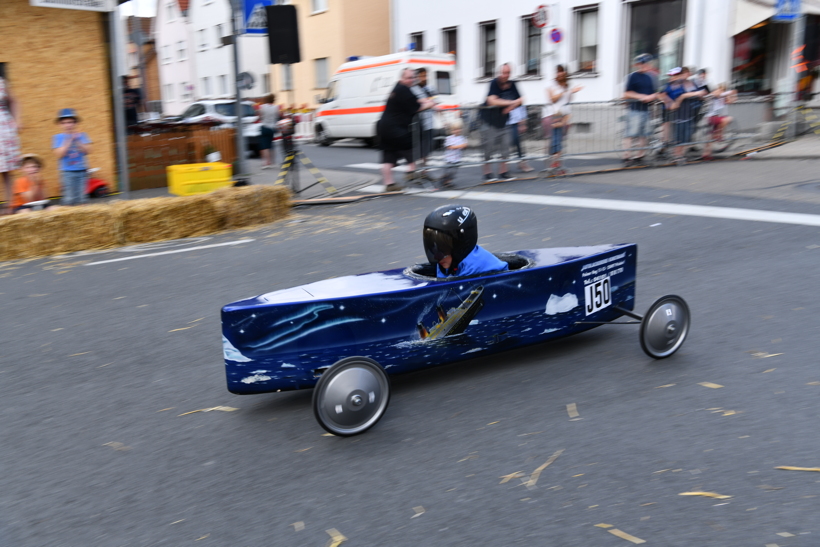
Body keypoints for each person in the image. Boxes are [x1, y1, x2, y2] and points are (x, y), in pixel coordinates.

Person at [376, 68, 435, 192]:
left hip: (384, 127)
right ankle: (411, 171)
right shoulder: (404, 89)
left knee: (389, 157)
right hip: (395, 128)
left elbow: (411, 101)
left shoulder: (397, 87)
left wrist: (424, 100)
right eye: (409, 78)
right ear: (402, 78)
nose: (411, 80)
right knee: (410, 145)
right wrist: (430, 104)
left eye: (413, 77)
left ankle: (389, 184)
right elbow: (416, 108)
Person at [423, 204, 509, 278]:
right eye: (434, 249)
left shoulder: (474, 268)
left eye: (443, 250)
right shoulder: (449, 261)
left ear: (461, 246)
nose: (437, 256)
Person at [481, 63, 524, 182]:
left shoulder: (512, 85)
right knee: (488, 147)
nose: (506, 75)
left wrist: (509, 108)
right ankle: (487, 173)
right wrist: (510, 103)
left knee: (506, 146)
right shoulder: (494, 83)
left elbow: (521, 100)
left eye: (508, 73)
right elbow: (491, 101)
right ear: (499, 73)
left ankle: (503, 172)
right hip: (489, 120)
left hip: (504, 120)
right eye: (504, 73)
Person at [659, 67, 706, 165]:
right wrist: (669, 102)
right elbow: (661, 95)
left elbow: (695, 93)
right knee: (678, 136)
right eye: (672, 76)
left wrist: (699, 94)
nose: (673, 78)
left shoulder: (688, 83)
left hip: (689, 113)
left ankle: (680, 154)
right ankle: (676, 155)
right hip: (677, 115)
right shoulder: (670, 86)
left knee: (686, 136)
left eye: (676, 75)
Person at [543, 65, 582, 174]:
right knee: (553, 140)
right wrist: (566, 91)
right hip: (551, 115)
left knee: (559, 140)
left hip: (563, 115)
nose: (560, 74)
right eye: (558, 72)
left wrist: (572, 92)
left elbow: (568, 101)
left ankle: (556, 164)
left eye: (562, 72)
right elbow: (553, 99)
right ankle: (551, 163)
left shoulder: (566, 85)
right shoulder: (550, 84)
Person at [622, 54, 658, 166]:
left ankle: (639, 156)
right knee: (631, 134)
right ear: (638, 65)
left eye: (647, 63)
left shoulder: (650, 77)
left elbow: (655, 92)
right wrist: (641, 97)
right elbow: (627, 93)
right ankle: (627, 156)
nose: (645, 66)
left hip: (646, 110)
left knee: (644, 134)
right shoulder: (632, 76)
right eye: (643, 63)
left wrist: (653, 97)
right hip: (635, 110)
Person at [52, 108, 92, 206]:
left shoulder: (82, 135)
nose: (68, 125)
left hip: (82, 170)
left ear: (75, 123)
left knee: (83, 198)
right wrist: (69, 140)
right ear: (60, 124)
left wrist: (78, 140)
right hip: (67, 172)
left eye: (70, 122)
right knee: (69, 198)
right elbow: (59, 154)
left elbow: (88, 150)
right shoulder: (57, 137)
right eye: (64, 123)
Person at [410, 68, 437, 180]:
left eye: (425, 76)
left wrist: (430, 104)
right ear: (416, 77)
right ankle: (414, 173)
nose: (423, 78)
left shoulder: (430, 88)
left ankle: (424, 172)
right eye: (421, 76)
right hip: (417, 124)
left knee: (426, 150)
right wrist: (428, 104)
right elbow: (414, 106)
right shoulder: (413, 90)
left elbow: (435, 101)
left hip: (428, 123)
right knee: (417, 149)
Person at [0, 74, 22, 215]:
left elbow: (14, 101)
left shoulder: (2, 82)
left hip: (3, 128)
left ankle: (10, 206)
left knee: (6, 171)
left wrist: (17, 120)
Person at [703, 83, 737, 160]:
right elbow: (717, 94)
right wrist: (729, 92)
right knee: (727, 119)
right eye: (720, 89)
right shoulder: (715, 93)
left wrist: (733, 95)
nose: (721, 91)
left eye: (723, 90)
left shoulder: (723, 97)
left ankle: (706, 153)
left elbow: (731, 101)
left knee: (711, 136)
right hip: (711, 116)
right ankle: (719, 134)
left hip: (718, 117)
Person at [439, 120, 467, 188]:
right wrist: (459, 146)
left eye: (459, 129)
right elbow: (449, 147)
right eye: (455, 129)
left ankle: (448, 181)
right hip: (450, 158)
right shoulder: (449, 138)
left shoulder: (462, 138)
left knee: (454, 172)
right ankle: (445, 180)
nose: (457, 130)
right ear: (452, 130)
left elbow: (465, 145)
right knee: (449, 171)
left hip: (457, 158)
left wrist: (464, 146)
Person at [258, 94, 279, 169]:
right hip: (272, 128)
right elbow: (277, 116)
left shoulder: (263, 107)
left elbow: (260, 116)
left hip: (264, 126)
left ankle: (266, 162)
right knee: (271, 145)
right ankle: (272, 161)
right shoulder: (276, 107)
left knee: (264, 146)